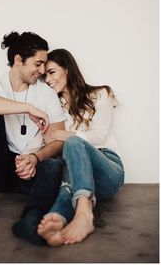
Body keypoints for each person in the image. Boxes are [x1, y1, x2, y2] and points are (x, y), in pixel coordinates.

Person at [0, 32, 65, 245]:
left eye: (44, 65)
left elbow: (58, 139)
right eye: (37, 64)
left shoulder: (46, 93)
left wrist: (35, 158)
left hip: (32, 170)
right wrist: (27, 108)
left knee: (55, 165)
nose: (42, 71)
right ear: (18, 60)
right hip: (1, 171)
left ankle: (30, 219)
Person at [37, 49, 125, 246]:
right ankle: (57, 219)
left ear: (67, 69)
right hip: (76, 173)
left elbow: (99, 135)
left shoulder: (100, 94)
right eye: (44, 76)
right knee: (68, 180)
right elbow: (50, 144)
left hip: (108, 169)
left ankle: (84, 215)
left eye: (51, 72)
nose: (48, 80)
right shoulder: (53, 109)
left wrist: (63, 134)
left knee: (74, 143)